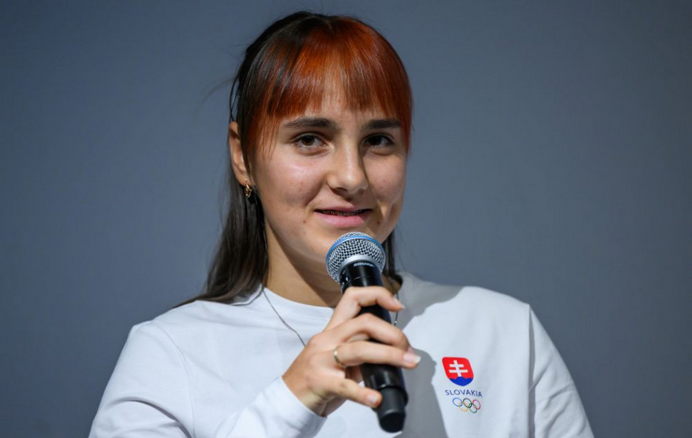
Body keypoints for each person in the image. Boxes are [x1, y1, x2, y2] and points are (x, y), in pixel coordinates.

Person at [89, 11, 593, 438]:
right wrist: (292, 399)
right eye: (310, 139)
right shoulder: (170, 353)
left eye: (378, 141)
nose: (352, 177)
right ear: (243, 157)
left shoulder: (503, 332)